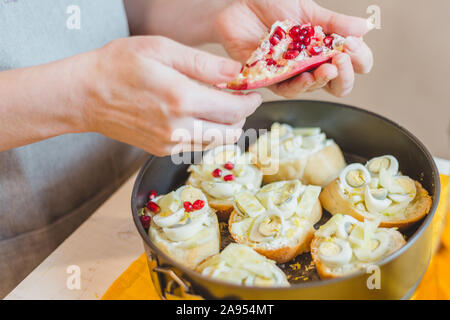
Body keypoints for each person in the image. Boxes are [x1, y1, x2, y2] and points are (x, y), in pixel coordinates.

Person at [0, 0, 373, 297]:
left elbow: (101, 9)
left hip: (143, 194)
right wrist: (83, 96)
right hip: (26, 254)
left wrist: (220, 11)